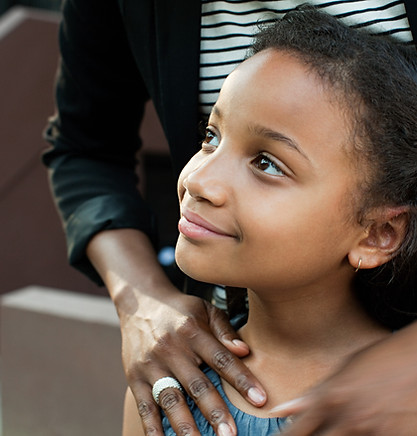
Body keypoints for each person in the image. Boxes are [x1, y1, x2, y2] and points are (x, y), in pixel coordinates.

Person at [42, 1, 417, 435]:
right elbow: (85, 145)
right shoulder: (171, 392)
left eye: (267, 163)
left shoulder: (396, 408)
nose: (199, 179)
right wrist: (138, 299)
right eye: (210, 136)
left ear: (378, 233)